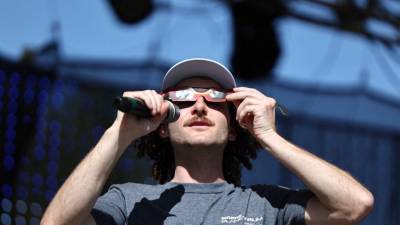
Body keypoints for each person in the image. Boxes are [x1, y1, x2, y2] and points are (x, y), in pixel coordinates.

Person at [41, 58, 374, 225]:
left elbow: (354, 204)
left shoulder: (266, 205)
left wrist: (269, 137)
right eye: (184, 98)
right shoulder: (129, 201)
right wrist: (121, 131)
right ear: (162, 125)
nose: (199, 105)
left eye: (215, 97)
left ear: (233, 127)